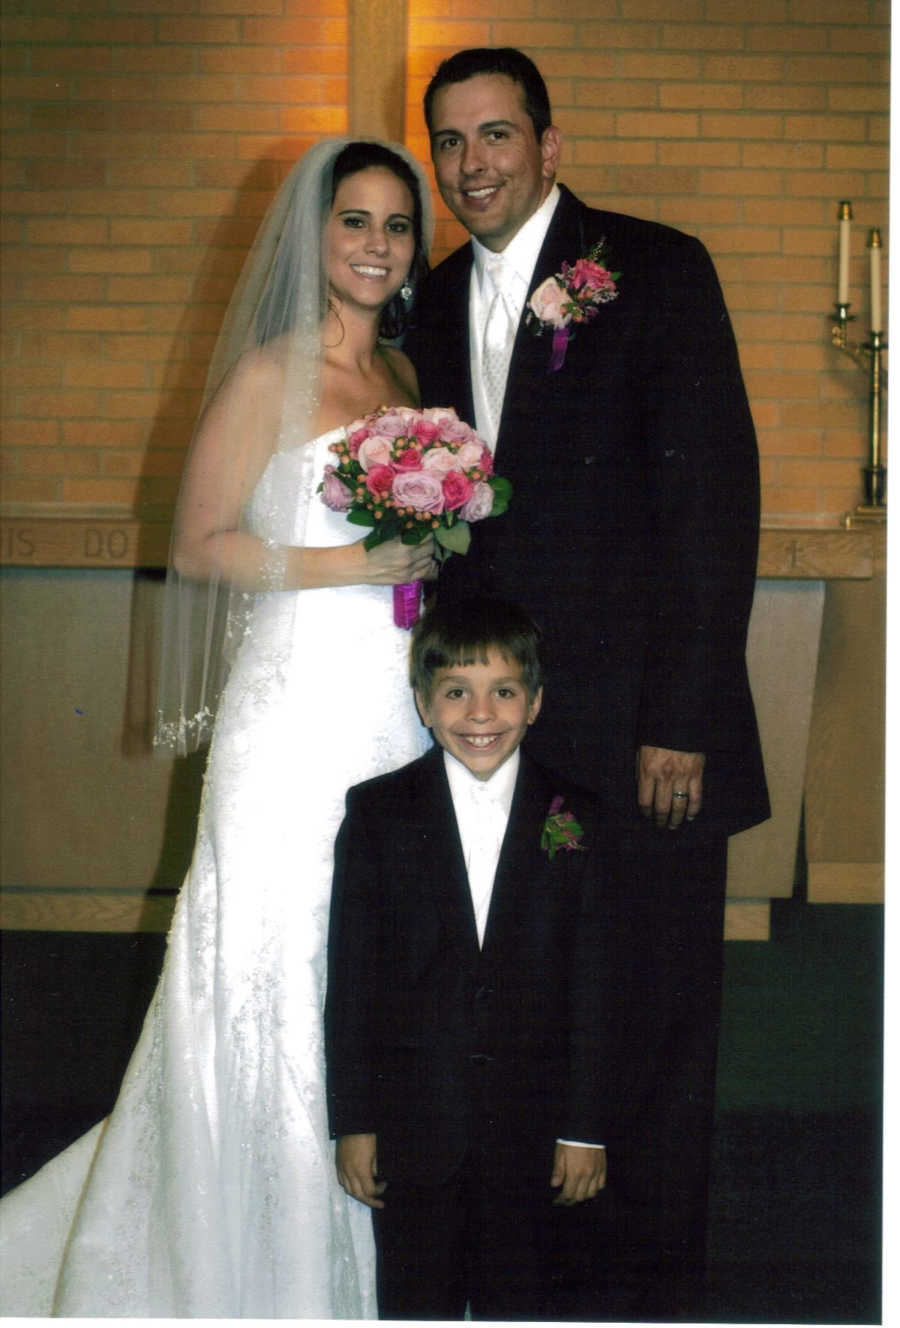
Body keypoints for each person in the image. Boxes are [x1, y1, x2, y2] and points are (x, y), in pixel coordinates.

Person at [0, 138, 439, 1317]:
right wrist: (362, 556)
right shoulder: (270, 376)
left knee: (364, 966)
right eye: (355, 221)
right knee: (270, 965)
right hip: (292, 717)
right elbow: (200, 546)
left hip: (393, 708)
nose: (376, 245)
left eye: (397, 225)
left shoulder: (404, 374)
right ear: (316, 235)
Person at [404, 47, 771, 1317]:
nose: (472, 166)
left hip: (644, 735)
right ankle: (542, 1276)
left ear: (550, 146)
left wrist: (681, 719)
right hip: (511, 738)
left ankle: (655, 1287)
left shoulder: (656, 269)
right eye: (450, 143)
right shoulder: (432, 301)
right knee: (541, 1001)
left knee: (658, 1016)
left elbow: (712, 505)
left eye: (497, 136)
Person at [325, 596, 633, 1320]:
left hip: (535, 1129)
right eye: (456, 692)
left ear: (535, 703)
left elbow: (598, 984)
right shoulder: (378, 813)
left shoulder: (578, 815)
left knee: (519, 1299)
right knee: (416, 1298)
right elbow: (354, 982)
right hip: (415, 1125)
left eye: (504, 691)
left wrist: (585, 1127)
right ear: (424, 706)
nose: (480, 713)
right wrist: (356, 1119)